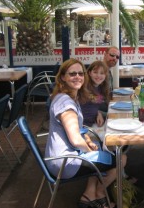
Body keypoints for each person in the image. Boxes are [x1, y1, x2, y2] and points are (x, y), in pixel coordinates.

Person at [45, 58, 126, 208]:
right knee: (121, 158)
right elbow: (76, 140)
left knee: (102, 149)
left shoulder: (68, 97)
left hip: (63, 158)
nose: (77, 77)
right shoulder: (66, 103)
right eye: (72, 74)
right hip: (65, 163)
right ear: (62, 77)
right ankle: (99, 193)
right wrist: (91, 150)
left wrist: (88, 140)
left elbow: (78, 129)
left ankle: (90, 195)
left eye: (80, 73)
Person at [80, 60, 110, 128]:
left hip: (94, 122)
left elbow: (93, 105)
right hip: (83, 126)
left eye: (102, 73)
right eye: (95, 72)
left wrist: (98, 113)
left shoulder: (101, 87)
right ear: (90, 73)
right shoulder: (83, 86)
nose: (98, 75)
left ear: (105, 75)